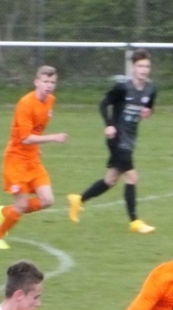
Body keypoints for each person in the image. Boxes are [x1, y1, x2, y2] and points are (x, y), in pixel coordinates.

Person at [67, 49, 157, 234]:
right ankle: (134, 221)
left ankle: (78, 199)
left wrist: (148, 112)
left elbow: (148, 108)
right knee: (132, 177)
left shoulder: (151, 89)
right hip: (116, 138)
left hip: (130, 139)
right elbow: (103, 104)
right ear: (133, 68)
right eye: (140, 66)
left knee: (110, 180)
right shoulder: (122, 88)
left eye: (147, 66)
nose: (144, 69)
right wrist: (109, 125)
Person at [0, 66, 68, 250]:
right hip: (16, 161)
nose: (49, 86)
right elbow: (25, 138)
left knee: (47, 200)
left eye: (52, 82)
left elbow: (35, 130)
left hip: (32, 160)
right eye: (45, 82)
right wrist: (53, 138)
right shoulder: (25, 104)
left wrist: (37, 149)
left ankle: (6, 211)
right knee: (22, 205)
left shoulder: (50, 101)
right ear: (36, 82)